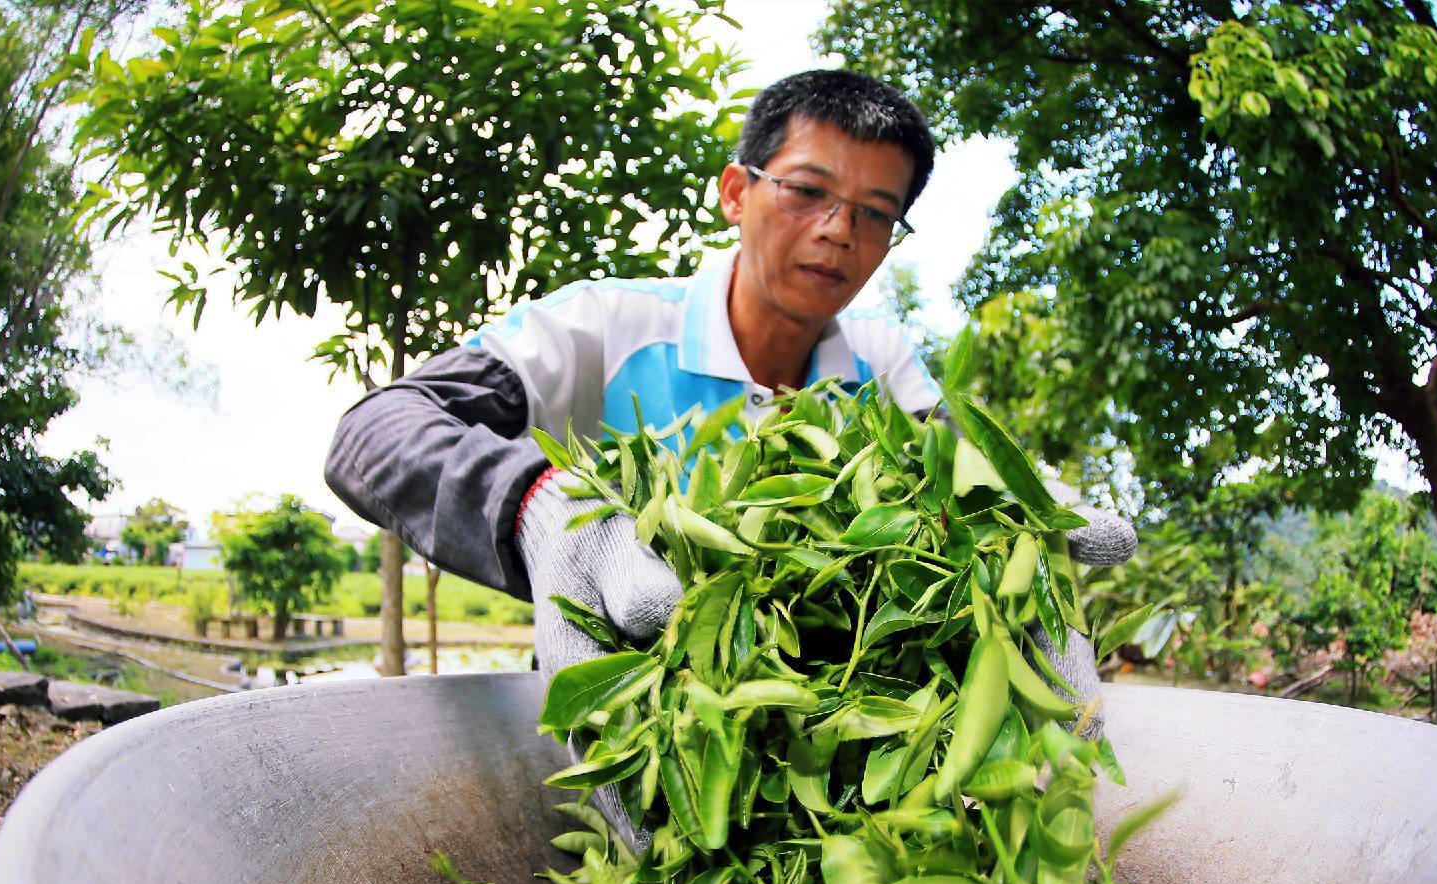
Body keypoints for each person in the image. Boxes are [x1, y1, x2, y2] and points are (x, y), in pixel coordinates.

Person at [325, 71, 1133, 798]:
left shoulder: (881, 365)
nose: (838, 231)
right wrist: (535, 504)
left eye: (876, 214)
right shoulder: (607, 324)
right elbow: (376, 432)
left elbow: (973, 473)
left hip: (828, 776)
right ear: (736, 192)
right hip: (628, 746)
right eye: (807, 191)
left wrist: (1027, 520)